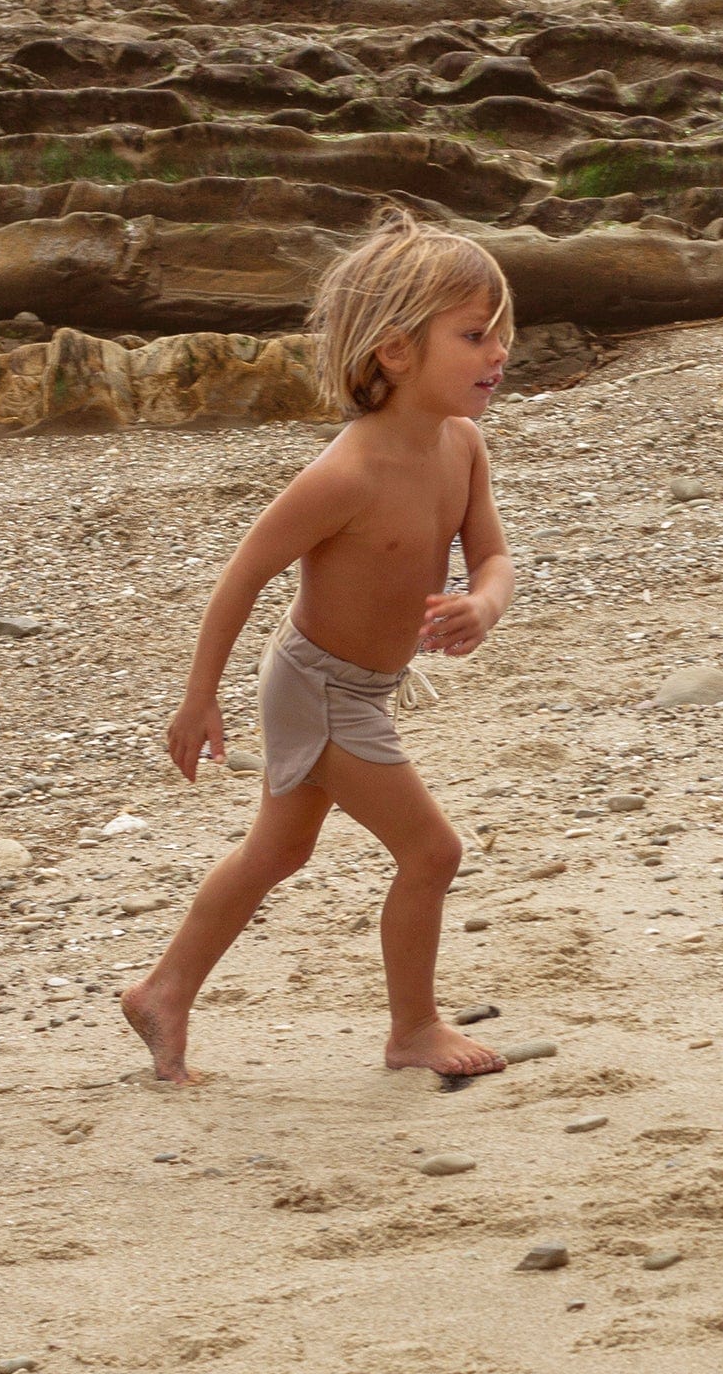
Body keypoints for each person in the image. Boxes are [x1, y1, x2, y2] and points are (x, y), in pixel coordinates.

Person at [121, 209, 517, 1084]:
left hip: (358, 688)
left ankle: (163, 990)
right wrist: (198, 698)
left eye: (502, 334)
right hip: (320, 687)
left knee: (278, 850)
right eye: (476, 335)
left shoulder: (464, 446)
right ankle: (413, 1029)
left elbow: (491, 555)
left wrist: (483, 607)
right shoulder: (346, 474)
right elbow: (243, 576)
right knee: (432, 852)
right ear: (395, 352)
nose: (498, 354)